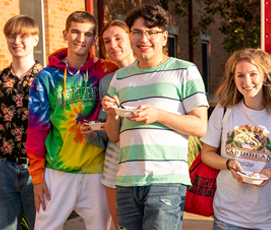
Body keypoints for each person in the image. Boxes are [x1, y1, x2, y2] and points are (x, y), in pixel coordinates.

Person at [102, 4, 208, 229]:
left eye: (152, 32)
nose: (144, 38)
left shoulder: (185, 70)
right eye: (137, 32)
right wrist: (112, 115)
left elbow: (200, 126)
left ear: (164, 37)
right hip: (126, 180)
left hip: (166, 180)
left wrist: (158, 114)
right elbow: (113, 136)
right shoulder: (120, 78)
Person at [27, 11, 118, 230]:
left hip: (97, 170)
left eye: (87, 34)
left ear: (94, 40)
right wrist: (37, 177)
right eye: (75, 32)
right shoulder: (46, 77)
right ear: (65, 34)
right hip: (58, 170)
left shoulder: (107, 70)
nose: (80, 38)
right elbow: (37, 129)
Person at [199, 48, 271, 230]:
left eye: (253, 74)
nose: (247, 81)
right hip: (228, 217)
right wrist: (229, 164)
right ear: (233, 78)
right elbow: (207, 154)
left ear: (266, 77)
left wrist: (270, 172)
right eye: (240, 75)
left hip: (269, 218)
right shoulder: (224, 110)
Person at [0, 15, 41, 230]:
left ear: (35, 39)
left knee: (42, 227)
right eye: (12, 36)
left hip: (39, 170)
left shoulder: (47, 79)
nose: (17, 41)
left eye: (23, 36)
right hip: (2, 169)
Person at [79, 19, 136, 228]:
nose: (113, 45)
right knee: (121, 225)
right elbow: (109, 132)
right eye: (106, 41)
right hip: (115, 161)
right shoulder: (106, 82)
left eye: (118, 38)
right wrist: (92, 133)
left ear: (131, 38)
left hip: (145, 160)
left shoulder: (152, 73)